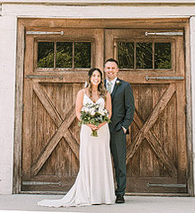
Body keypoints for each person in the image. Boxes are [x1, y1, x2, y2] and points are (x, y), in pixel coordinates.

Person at [38, 68, 115, 207]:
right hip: (87, 130)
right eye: (94, 76)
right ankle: (88, 194)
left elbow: (108, 113)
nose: (96, 78)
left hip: (102, 131)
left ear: (101, 79)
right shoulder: (82, 93)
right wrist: (89, 124)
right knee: (88, 159)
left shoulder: (106, 94)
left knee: (101, 159)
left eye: (98, 76)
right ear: (89, 78)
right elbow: (78, 113)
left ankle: (103, 195)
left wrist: (99, 124)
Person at [104, 58, 135, 204]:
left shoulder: (124, 86)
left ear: (117, 70)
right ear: (104, 69)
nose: (110, 70)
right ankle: (102, 192)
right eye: (107, 68)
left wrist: (124, 127)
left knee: (119, 163)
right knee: (101, 162)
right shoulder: (98, 86)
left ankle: (120, 193)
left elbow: (130, 108)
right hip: (101, 130)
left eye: (112, 68)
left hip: (117, 130)